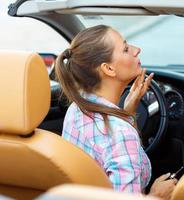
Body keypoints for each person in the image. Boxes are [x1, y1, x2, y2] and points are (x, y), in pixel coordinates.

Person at [55, 24, 177, 199]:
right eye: (126, 49)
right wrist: (156, 195)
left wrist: (128, 112)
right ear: (108, 69)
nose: (137, 50)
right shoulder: (121, 133)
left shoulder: (76, 110)